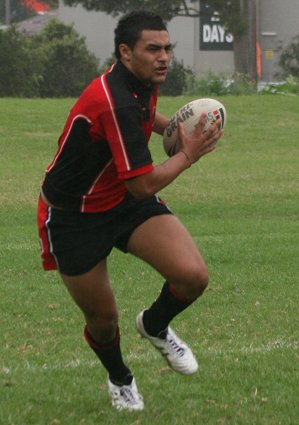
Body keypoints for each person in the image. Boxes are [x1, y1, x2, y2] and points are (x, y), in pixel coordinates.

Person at [37, 10, 223, 411]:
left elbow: (142, 122)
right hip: (74, 216)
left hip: (122, 202)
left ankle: (154, 325)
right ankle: (120, 379)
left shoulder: (140, 80)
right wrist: (189, 153)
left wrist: (172, 127)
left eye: (167, 48)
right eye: (152, 49)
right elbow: (143, 183)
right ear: (125, 52)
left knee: (192, 277)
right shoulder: (113, 102)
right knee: (103, 321)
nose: (164, 58)